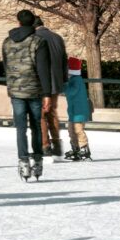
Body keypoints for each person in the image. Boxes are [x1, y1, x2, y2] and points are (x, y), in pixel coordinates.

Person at [2, 9, 55, 182]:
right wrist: (47, 94)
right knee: (36, 126)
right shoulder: (38, 42)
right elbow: (43, 69)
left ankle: (23, 161)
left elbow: (6, 66)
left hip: (16, 91)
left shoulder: (7, 42)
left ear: (18, 22)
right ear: (33, 23)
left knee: (21, 128)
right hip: (34, 90)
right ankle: (37, 160)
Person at [34, 16, 68, 161]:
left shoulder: (35, 38)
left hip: (41, 83)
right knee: (52, 113)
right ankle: (57, 144)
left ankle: (45, 145)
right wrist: (63, 80)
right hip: (56, 83)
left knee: (40, 115)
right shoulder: (57, 37)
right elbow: (64, 61)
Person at [62, 56, 93, 161]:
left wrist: (64, 85)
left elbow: (71, 92)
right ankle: (75, 148)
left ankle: (84, 149)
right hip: (73, 112)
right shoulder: (72, 79)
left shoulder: (77, 80)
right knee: (71, 130)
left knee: (78, 130)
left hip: (79, 112)